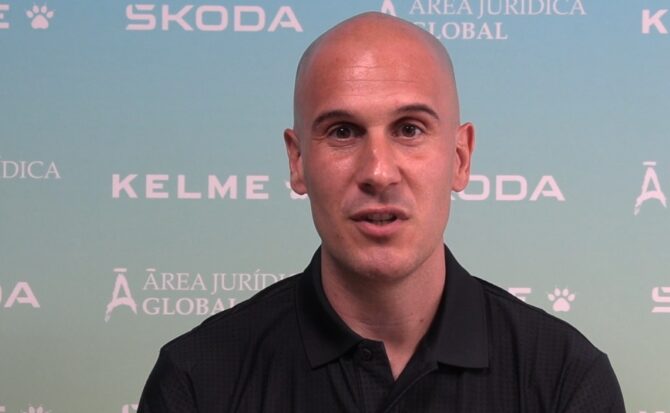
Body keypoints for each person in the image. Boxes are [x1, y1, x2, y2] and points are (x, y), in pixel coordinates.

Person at [137, 12, 625, 412]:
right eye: (343, 132)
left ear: (460, 158)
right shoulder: (197, 380)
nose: (378, 172)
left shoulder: (564, 379)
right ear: (297, 161)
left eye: (409, 129)